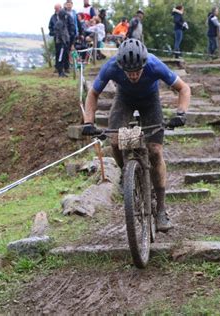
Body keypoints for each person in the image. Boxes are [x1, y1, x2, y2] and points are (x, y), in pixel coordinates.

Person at [81, 39, 191, 232]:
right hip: (124, 100)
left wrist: (181, 113)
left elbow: (184, 88)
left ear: (144, 65)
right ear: (121, 66)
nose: (132, 76)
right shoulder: (112, 66)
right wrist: (88, 122)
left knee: (155, 151)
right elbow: (93, 94)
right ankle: (127, 175)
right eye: (128, 72)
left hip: (150, 101)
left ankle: (161, 210)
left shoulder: (154, 64)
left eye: (137, 72)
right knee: (115, 142)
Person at [49, 4, 76, 77]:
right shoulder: (59, 23)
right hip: (61, 43)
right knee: (60, 57)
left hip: (64, 43)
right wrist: (64, 42)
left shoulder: (62, 22)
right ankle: (60, 72)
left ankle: (63, 71)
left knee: (64, 56)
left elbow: (66, 32)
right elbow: (59, 34)